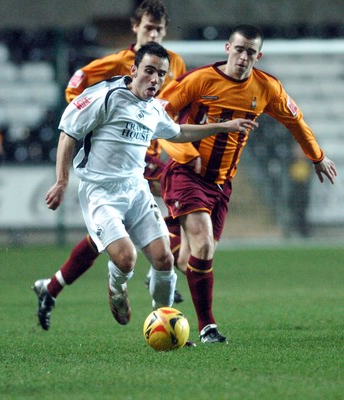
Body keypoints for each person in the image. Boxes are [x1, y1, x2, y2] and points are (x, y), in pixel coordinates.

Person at [35, 43, 258, 334]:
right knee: (127, 258)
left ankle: (166, 325)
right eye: (149, 71)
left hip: (136, 189)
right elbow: (68, 134)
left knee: (164, 259)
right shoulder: (108, 97)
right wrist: (62, 181)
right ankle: (116, 287)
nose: (154, 79)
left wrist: (223, 126)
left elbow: (177, 133)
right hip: (101, 192)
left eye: (161, 74)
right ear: (134, 70)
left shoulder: (153, 108)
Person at [157, 24, 337, 344]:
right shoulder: (199, 80)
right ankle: (207, 327)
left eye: (250, 52)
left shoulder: (267, 88)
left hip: (222, 183)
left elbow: (296, 121)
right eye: (239, 49)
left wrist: (317, 156)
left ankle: (164, 249)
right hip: (187, 172)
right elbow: (158, 114)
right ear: (227, 48)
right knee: (204, 246)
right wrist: (181, 152)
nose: (243, 57)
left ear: (259, 55)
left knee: (190, 259)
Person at [32, 0, 186, 331]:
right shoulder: (114, 64)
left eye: (159, 29)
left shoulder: (175, 64)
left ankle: (54, 288)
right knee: (114, 243)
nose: (153, 33)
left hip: (147, 159)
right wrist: (97, 127)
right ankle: (151, 281)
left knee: (127, 242)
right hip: (112, 162)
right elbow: (76, 88)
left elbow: (171, 110)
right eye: (148, 27)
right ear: (135, 27)